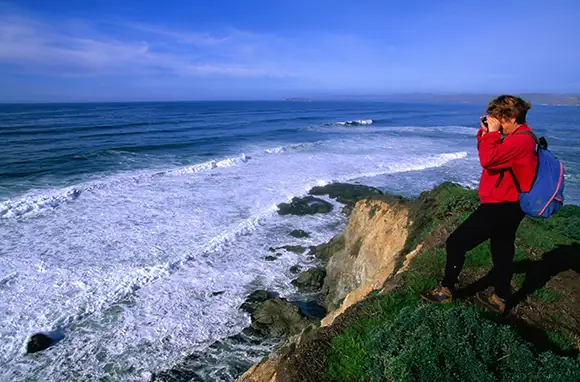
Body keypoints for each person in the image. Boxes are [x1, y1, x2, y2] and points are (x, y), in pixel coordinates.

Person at [421, 95, 538, 313]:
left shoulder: (521, 140)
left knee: (456, 243)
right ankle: (501, 298)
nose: (493, 120)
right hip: (508, 205)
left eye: (498, 117)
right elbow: (488, 153)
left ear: (511, 116)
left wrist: (492, 134)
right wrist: (486, 133)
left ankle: (446, 290)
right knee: (501, 251)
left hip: (500, 206)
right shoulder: (516, 137)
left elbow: (488, 160)